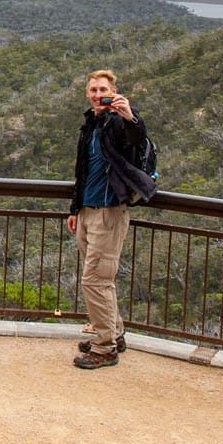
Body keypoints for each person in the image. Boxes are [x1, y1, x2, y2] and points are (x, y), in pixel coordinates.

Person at [67, 69, 157, 370]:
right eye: (92, 89)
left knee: (94, 280)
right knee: (102, 281)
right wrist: (74, 209)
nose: (97, 94)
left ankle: (104, 348)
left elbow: (134, 140)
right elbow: (83, 170)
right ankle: (114, 334)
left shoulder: (119, 122)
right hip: (88, 210)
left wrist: (131, 117)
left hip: (108, 211)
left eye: (102, 89)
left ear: (113, 90)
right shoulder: (91, 123)